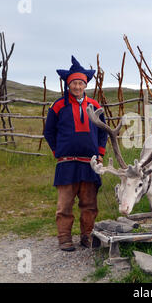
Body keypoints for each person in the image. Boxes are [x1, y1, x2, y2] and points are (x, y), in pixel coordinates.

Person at [44, 56, 108, 251]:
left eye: (81, 83)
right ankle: (64, 238)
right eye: (74, 83)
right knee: (65, 204)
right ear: (68, 85)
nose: (77, 86)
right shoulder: (58, 106)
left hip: (90, 163)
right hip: (67, 163)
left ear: (85, 85)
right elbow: (49, 132)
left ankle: (87, 236)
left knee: (89, 203)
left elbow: (103, 131)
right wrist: (58, 151)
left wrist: (100, 153)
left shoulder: (95, 107)